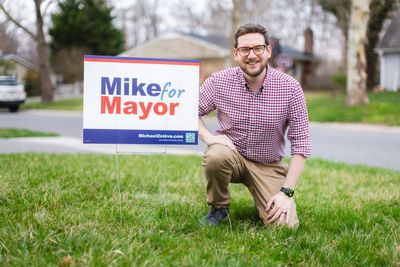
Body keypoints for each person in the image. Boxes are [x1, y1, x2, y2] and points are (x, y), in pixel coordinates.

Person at [198, 23, 311, 228]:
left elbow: (301, 145)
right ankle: (218, 207)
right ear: (236, 53)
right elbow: (189, 112)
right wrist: (210, 138)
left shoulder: (291, 88)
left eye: (257, 48)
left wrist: (286, 193)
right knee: (216, 155)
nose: (251, 55)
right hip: (230, 157)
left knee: (285, 226)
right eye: (244, 49)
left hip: (268, 165)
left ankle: (268, 197)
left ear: (268, 50)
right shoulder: (218, 82)